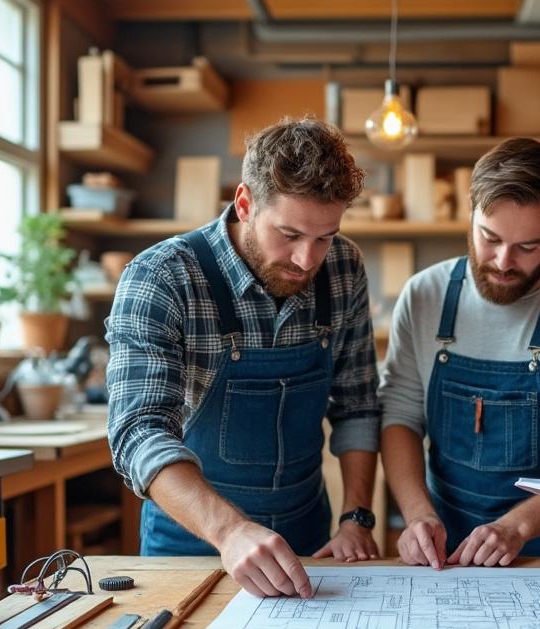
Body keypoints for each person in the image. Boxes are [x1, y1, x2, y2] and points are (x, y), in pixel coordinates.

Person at [105, 118, 381, 598]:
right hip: (193, 545)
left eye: (324, 236)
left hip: (308, 545)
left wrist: (356, 517)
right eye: (290, 234)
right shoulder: (162, 277)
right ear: (245, 203)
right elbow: (138, 432)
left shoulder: (343, 267)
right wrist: (230, 531)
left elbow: (356, 405)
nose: (306, 260)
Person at [379, 137, 540, 569]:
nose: (502, 261)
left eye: (528, 246)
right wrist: (417, 515)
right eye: (490, 237)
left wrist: (517, 527)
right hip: (438, 549)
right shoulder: (424, 295)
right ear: (471, 212)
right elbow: (399, 418)